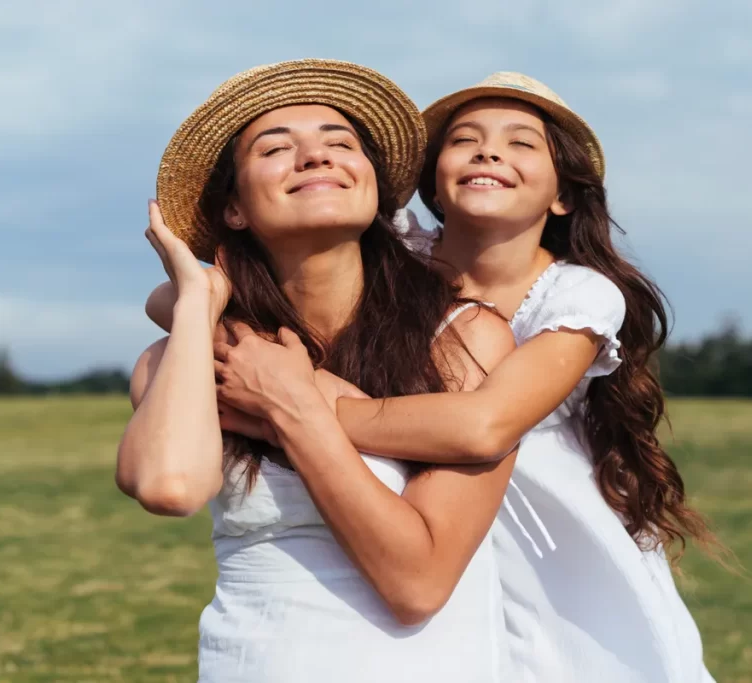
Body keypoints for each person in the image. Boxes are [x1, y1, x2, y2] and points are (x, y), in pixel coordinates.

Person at [170, 72, 721, 683]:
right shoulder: (399, 256)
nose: (490, 152)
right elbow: (179, 297)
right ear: (431, 183)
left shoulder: (576, 295)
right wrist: (225, 333)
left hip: (548, 546)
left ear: (563, 196)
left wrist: (303, 403)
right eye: (465, 140)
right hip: (424, 510)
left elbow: (482, 427)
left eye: (521, 143)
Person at [116, 60, 517, 683]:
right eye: (276, 149)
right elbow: (170, 486)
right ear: (235, 210)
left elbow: (417, 585)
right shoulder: (187, 356)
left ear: (375, 189)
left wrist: (289, 405)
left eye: (340, 144)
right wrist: (196, 303)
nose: (315, 158)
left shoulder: (464, 341)